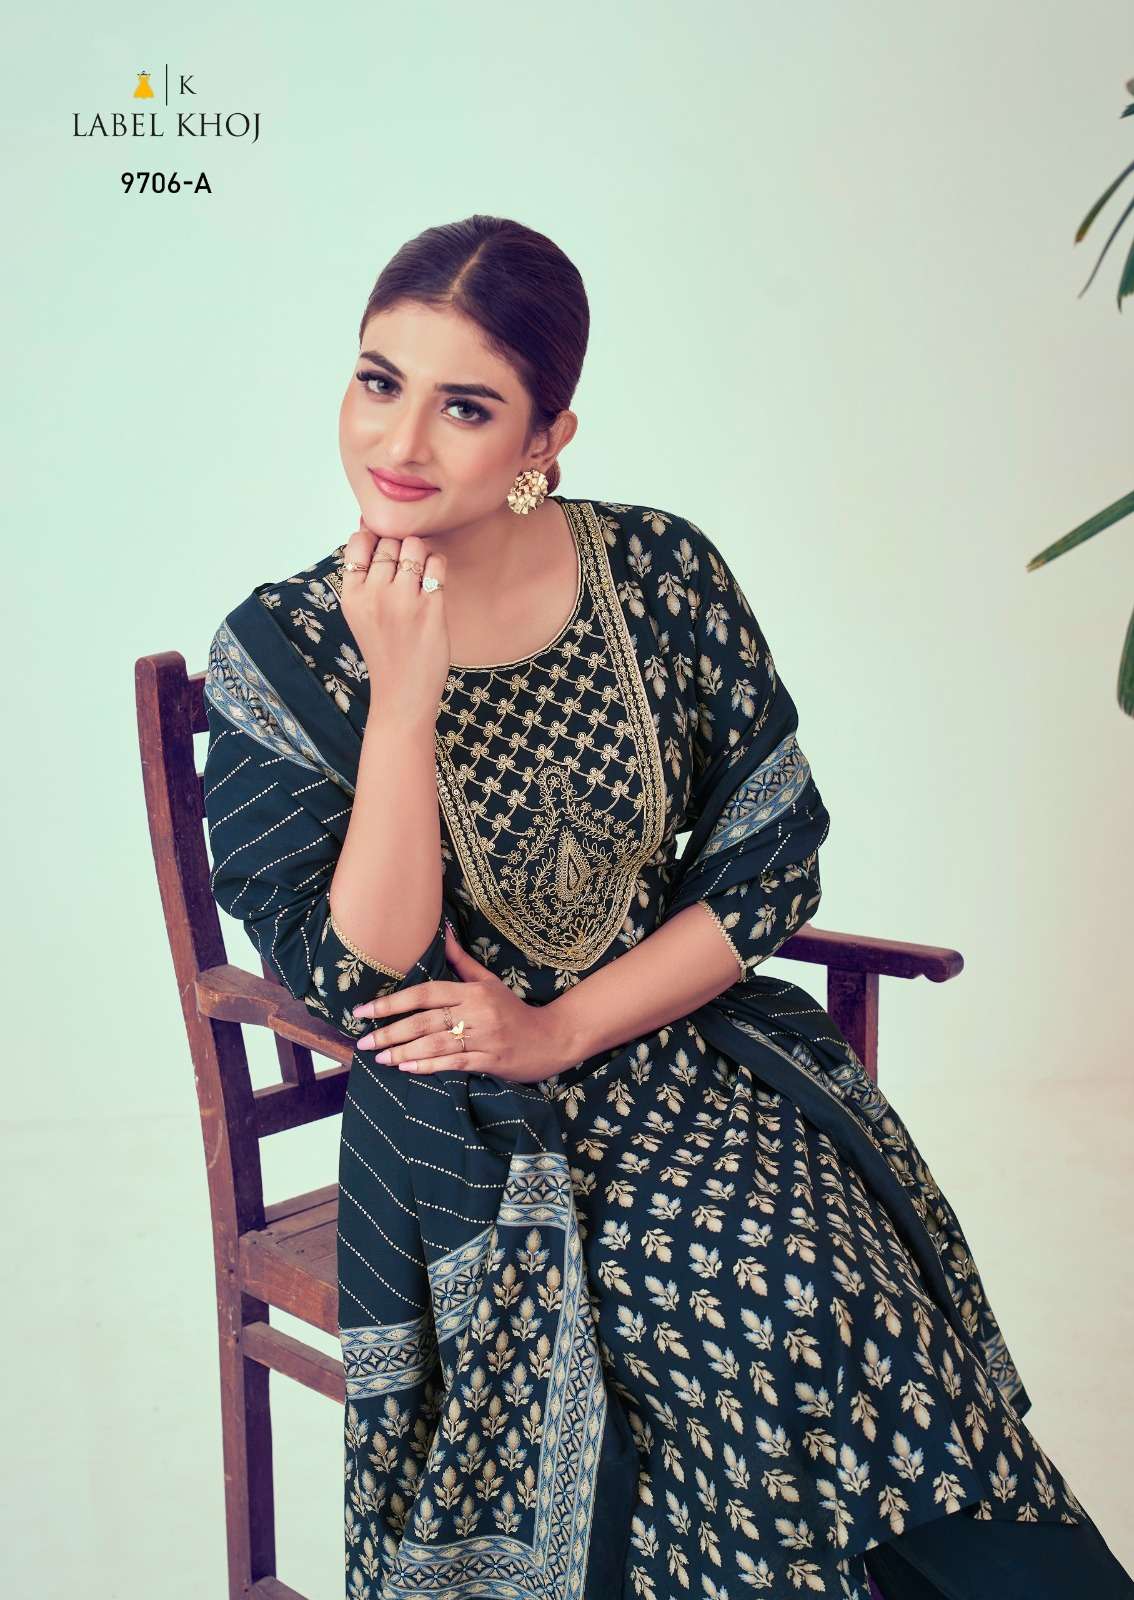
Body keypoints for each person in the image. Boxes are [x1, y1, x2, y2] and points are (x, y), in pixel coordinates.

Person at [200, 215, 1133, 1600]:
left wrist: (563, 1029)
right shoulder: (281, 650)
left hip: (681, 1052)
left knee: (830, 1293)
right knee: (730, 1312)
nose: (399, 440)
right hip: (464, 1122)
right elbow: (368, 972)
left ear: (547, 437)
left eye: (467, 406)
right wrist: (403, 699)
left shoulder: (659, 572)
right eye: (378, 381)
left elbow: (768, 858)